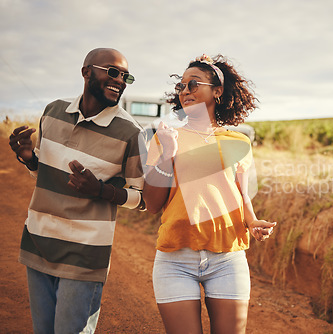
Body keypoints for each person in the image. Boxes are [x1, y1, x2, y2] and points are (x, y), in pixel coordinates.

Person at [8, 48, 146, 333]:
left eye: (125, 76)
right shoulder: (53, 112)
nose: (119, 80)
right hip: (38, 241)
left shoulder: (131, 133)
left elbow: (141, 198)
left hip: (85, 254)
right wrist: (29, 158)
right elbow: (43, 173)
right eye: (112, 72)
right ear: (87, 72)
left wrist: (101, 190)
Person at [143, 54, 276, 334]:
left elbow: (241, 194)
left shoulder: (239, 142)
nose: (185, 91)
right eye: (181, 86)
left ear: (217, 91)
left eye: (194, 84)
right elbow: (152, 204)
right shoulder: (165, 137)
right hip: (176, 258)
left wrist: (252, 222)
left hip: (228, 258)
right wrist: (168, 154)